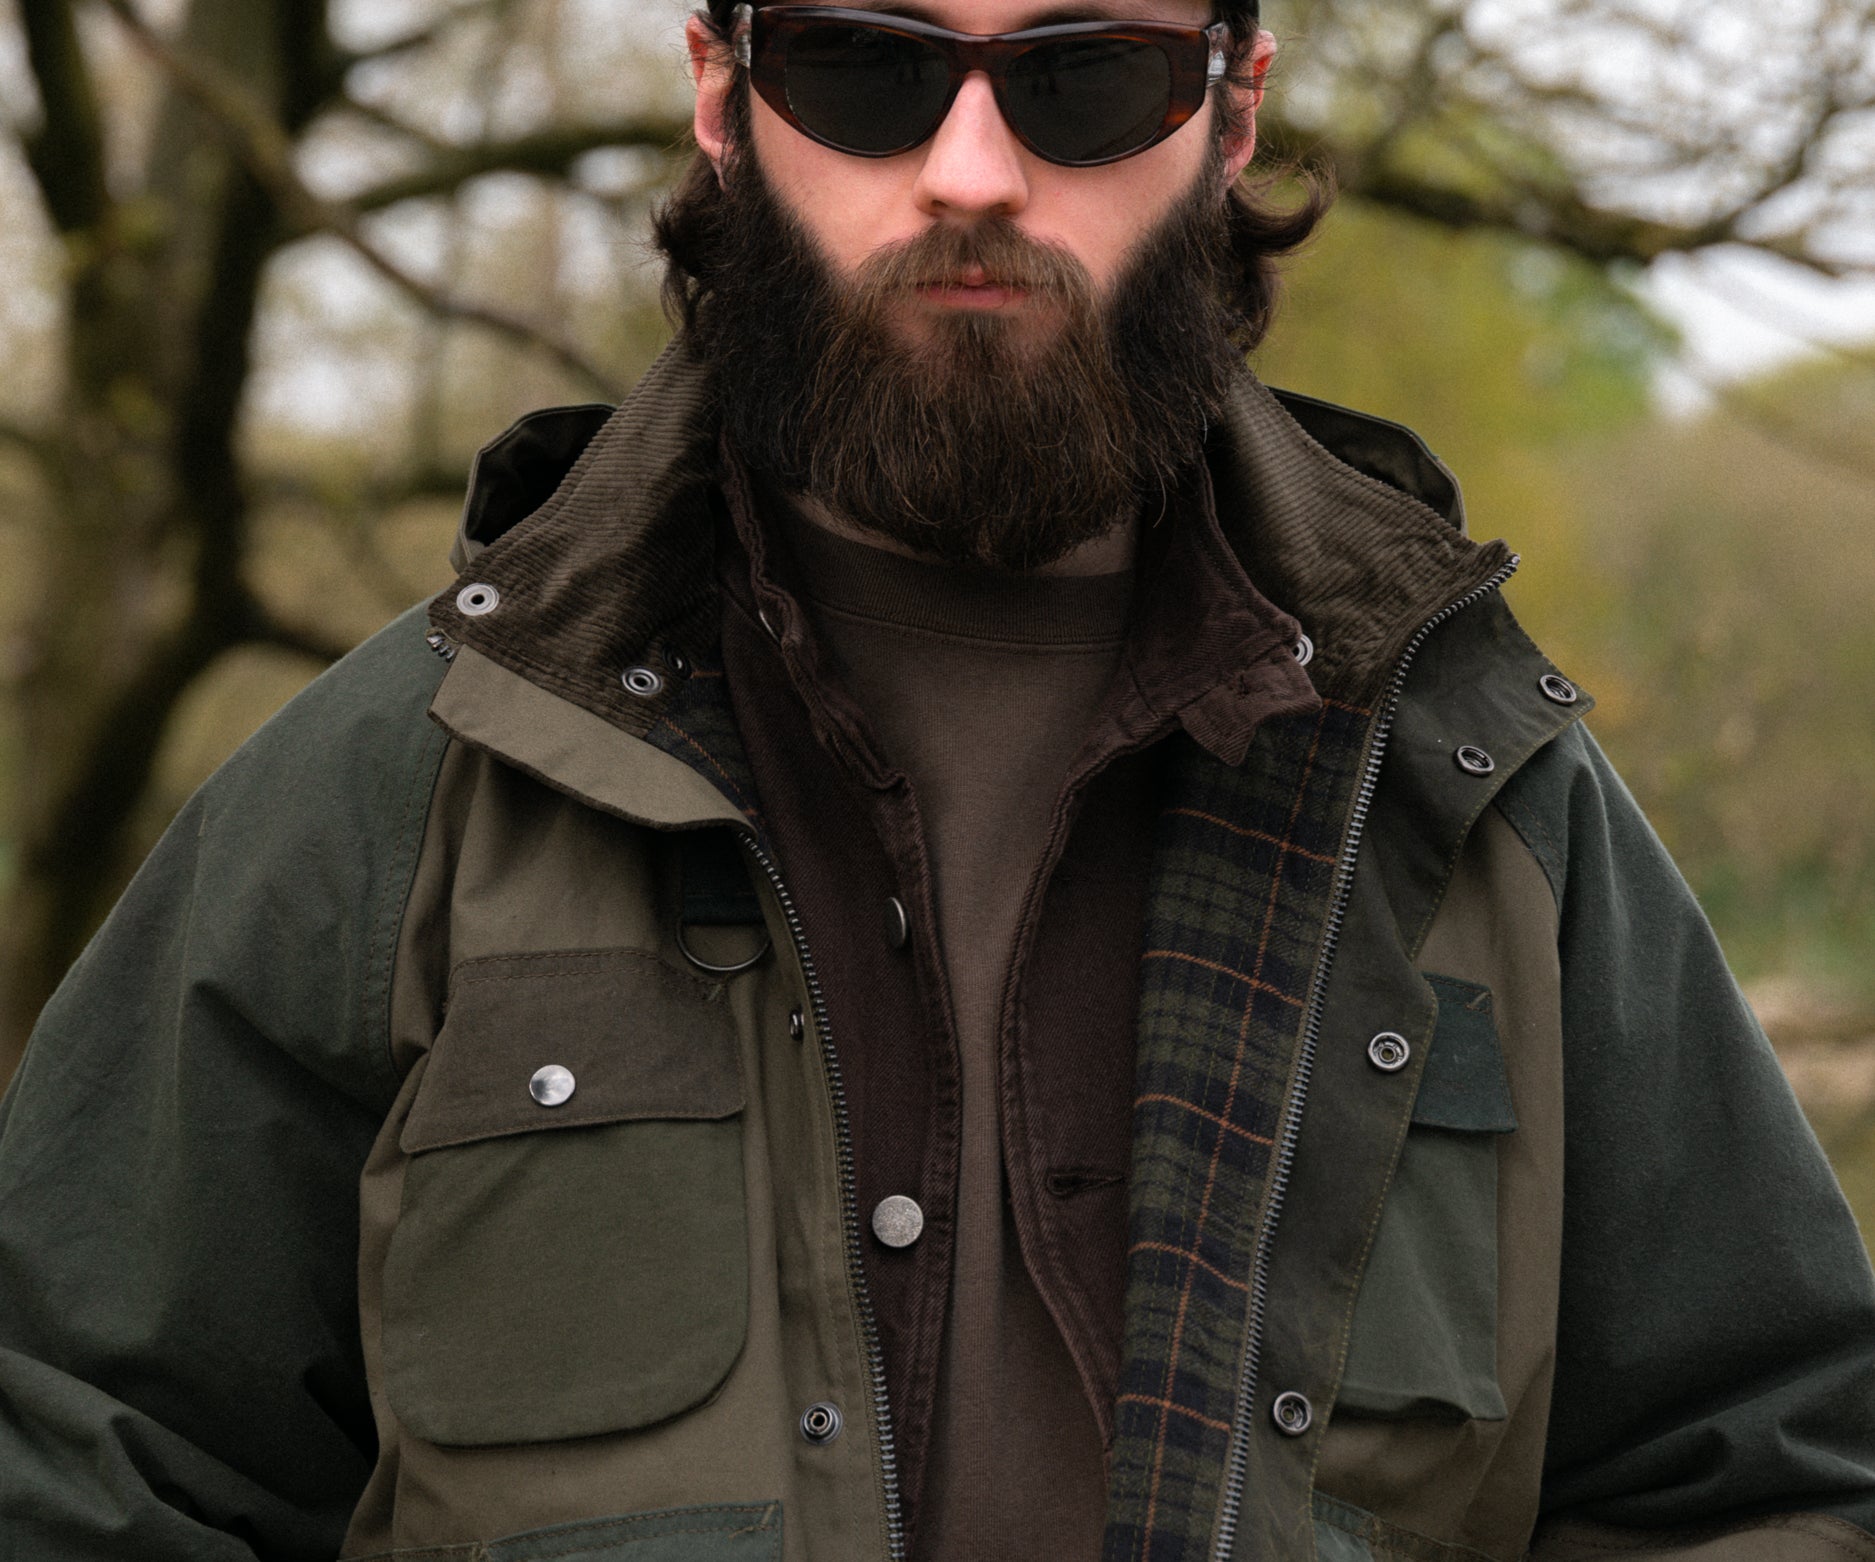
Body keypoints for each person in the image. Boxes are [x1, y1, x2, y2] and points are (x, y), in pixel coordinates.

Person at [1, 0, 1872, 1557]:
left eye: (1087, 78)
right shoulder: (408, 785)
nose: (972, 171)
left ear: (1230, 114)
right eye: (866, 68)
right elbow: (81, 1464)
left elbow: (1774, 1470)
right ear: (725, 96)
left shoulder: (1474, 786)